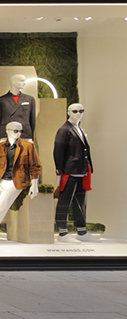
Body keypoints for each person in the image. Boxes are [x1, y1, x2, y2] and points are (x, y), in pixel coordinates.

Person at [53, 103, 97, 243]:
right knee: (65, 201)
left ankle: (82, 231)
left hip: (82, 170)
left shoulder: (80, 129)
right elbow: (58, 152)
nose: (78, 113)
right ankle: (62, 232)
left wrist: (89, 167)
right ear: (68, 112)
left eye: (81, 111)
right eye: (75, 111)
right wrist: (59, 171)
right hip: (69, 171)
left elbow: (86, 150)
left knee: (81, 202)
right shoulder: (64, 130)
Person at [0, 74, 36, 141]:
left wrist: (32, 136)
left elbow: (32, 119)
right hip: (6, 134)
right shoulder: (1, 100)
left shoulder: (30, 99)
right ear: (14, 82)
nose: (24, 83)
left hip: (25, 133)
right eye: (21, 81)